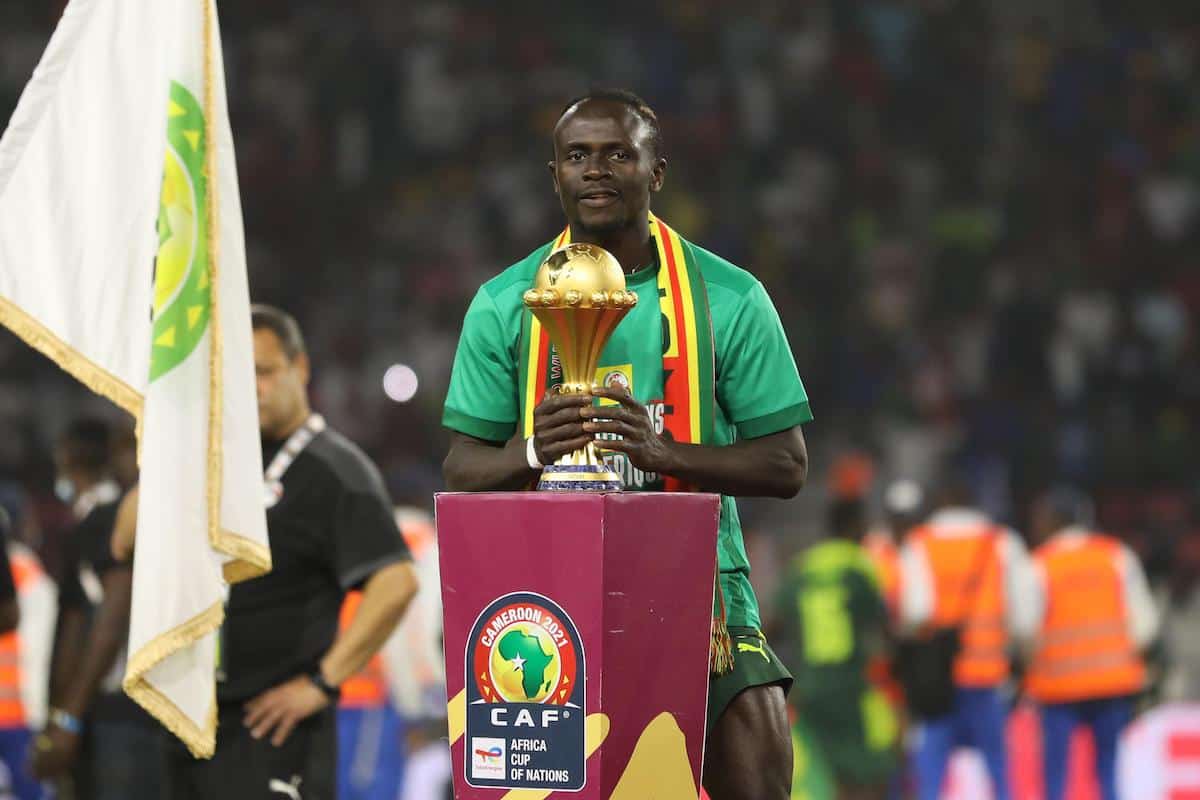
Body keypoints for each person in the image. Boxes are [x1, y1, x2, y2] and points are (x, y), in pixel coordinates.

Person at [442, 89, 812, 800]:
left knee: (762, 775)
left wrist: (664, 453)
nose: (597, 170)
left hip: (703, 592)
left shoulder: (728, 298)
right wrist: (531, 451)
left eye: (618, 152)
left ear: (656, 172)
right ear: (555, 176)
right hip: (550, 593)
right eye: (577, 155)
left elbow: (786, 464)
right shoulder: (504, 302)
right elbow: (462, 465)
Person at [164, 305, 418, 800]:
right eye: (239, 373)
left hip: (276, 728)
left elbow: (397, 581)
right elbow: (126, 535)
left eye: (264, 371)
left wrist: (320, 685)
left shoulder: (337, 470)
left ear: (299, 369)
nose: (252, 386)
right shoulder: (220, 460)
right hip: (195, 719)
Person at [31, 418, 163, 800]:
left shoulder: (103, 522)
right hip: (118, 711)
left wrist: (65, 717)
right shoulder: (105, 520)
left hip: (115, 716)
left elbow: (106, 621)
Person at [898, 479, 1036, 800]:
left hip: (939, 678)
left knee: (932, 766)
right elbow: (1025, 618)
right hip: (988, 673)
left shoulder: (919, 543)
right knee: (997, 765)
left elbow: (916, 611)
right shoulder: (1002, 542)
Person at [1025, 488, 1158, 800]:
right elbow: (1145, 625)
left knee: (1056, 777)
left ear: (1054, 521)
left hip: (1057, 686)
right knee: (1108, 772)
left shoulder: (1041, 564)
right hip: (1111, 682)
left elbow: (1025, 628)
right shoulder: (1116, 555)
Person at [777, 498, 899, 800]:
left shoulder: (801, 567)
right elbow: (884, 625)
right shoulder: (859, 565)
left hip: (809, 689)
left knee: (826, 774)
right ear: (856, 526)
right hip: (851, 688)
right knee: (869, 770)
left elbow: (773, 623)